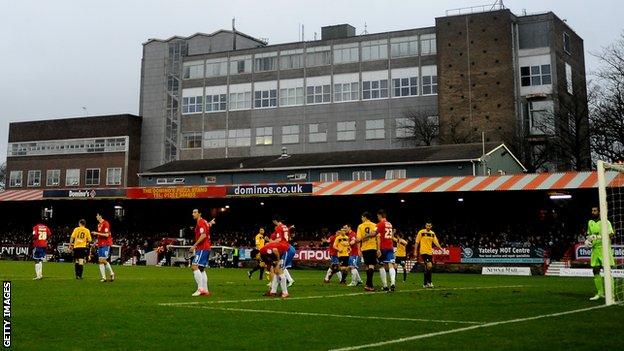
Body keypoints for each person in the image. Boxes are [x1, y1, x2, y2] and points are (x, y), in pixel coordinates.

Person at [586, 206, 615, 301]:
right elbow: (589, 235)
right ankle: (600, 293)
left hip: (604, 249)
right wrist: (588, 240)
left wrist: (598, 237)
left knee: (607, 271)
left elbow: (611, 234)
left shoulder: (606, 221)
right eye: (592, 210)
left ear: (599, 212)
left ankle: (611, 293)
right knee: (595, 270)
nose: (593, 212)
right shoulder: (590, 222)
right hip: (595, 250)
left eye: (595, 210)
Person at [189, 209, 215, 297]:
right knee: (201, 269)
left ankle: (200, 289)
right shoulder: (204, 222)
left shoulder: (200, 222)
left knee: (194, 266)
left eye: (195, 212)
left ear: (199, 213)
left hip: (202, 248)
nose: (193, 214)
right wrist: (210, 223)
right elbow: (207, 227)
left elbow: (203, 235)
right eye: (193, 212)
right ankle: (206, 290)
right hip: (206, 248)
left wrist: (194, 246)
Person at [415, 222, 442, 288]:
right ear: (425, 226)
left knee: (427, 267)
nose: (428, 227)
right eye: (427, 225)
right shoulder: (421, 232)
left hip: (430, 252)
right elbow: (417, 242)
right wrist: (415, 251)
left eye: (429, 226)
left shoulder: (432, 233)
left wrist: (440, 248)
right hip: (423, 252)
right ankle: (429, 282)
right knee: (429, 265)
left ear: (431, 226)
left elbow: (436, 242)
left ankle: (425, 283)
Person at [356, 212, 378, 291]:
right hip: (372, 247)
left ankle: (367, 284)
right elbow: (377, 238)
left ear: (365, 217)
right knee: (371, 265)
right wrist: (378, 249)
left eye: (362, 217)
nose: (361, 219)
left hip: (364, 248)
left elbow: (358, 239)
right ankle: (370, 285)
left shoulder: (360, 226)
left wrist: (359, 249)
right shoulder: (375, 225)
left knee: (367, 266)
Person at [376, 209, 396, 292]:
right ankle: (393, 283)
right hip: (390, 246)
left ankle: (385, 285)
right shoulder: (390, 224)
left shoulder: (380, 224)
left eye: (377, 216)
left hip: (383, 247)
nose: (377, 217)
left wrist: (378, 249)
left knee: (381, 266)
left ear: (380, 215)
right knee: (391, 265)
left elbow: (376, 235)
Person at [92, 213, 115, 282]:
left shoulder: (106, 223)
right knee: (100, 261)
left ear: (100, 216)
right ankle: (104, 277)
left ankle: (111, 273)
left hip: (106, 244)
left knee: (102, 260)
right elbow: (100, 235)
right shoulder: (99, 225)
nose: (96, 217)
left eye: (97, 215)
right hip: (100, 244)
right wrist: (95, 242)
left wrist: (96, 233)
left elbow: (106, 235)